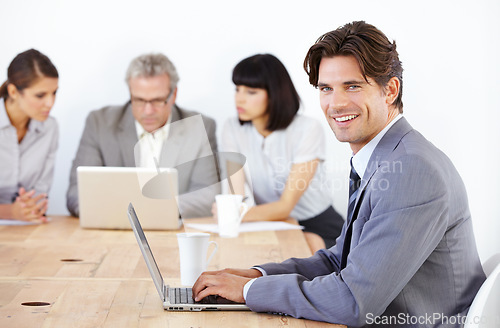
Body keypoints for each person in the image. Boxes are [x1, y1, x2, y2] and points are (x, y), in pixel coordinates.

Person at [192, 21, 486, 327]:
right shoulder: (384, 157)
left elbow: (352, 301)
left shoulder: (412, 170)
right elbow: (340, 261)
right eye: (326, 89)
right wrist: (255, 275)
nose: (336, 103)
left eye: (353, 86)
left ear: (390, 90)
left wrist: (250, 291)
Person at [66, 53, 219, 218]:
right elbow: (77, 194)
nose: (148, 111)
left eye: (157, 100)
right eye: (139, 100)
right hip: (112, 233)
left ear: (173, 95)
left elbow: (208, 196)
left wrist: (148, 211)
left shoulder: (199, 127)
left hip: (172, 235)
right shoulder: (99, 123)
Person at [220, 54, 343, 249]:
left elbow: (286, 206)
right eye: (237, 89)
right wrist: (232, 209)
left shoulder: (308, 129)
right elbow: (236, 195)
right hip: (266, 224)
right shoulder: (232, 128)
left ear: (275, 93)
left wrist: (232, 213)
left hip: (317, 225)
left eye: (251, 92)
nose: (239, 99)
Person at [0, 49, 59, 223]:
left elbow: (41, 191)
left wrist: (32, 208)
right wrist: (11, 212)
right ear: (13, 92)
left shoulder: (50, 127)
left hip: (27, 226)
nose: (50, 103)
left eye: (54, 92)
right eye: (40, 95)